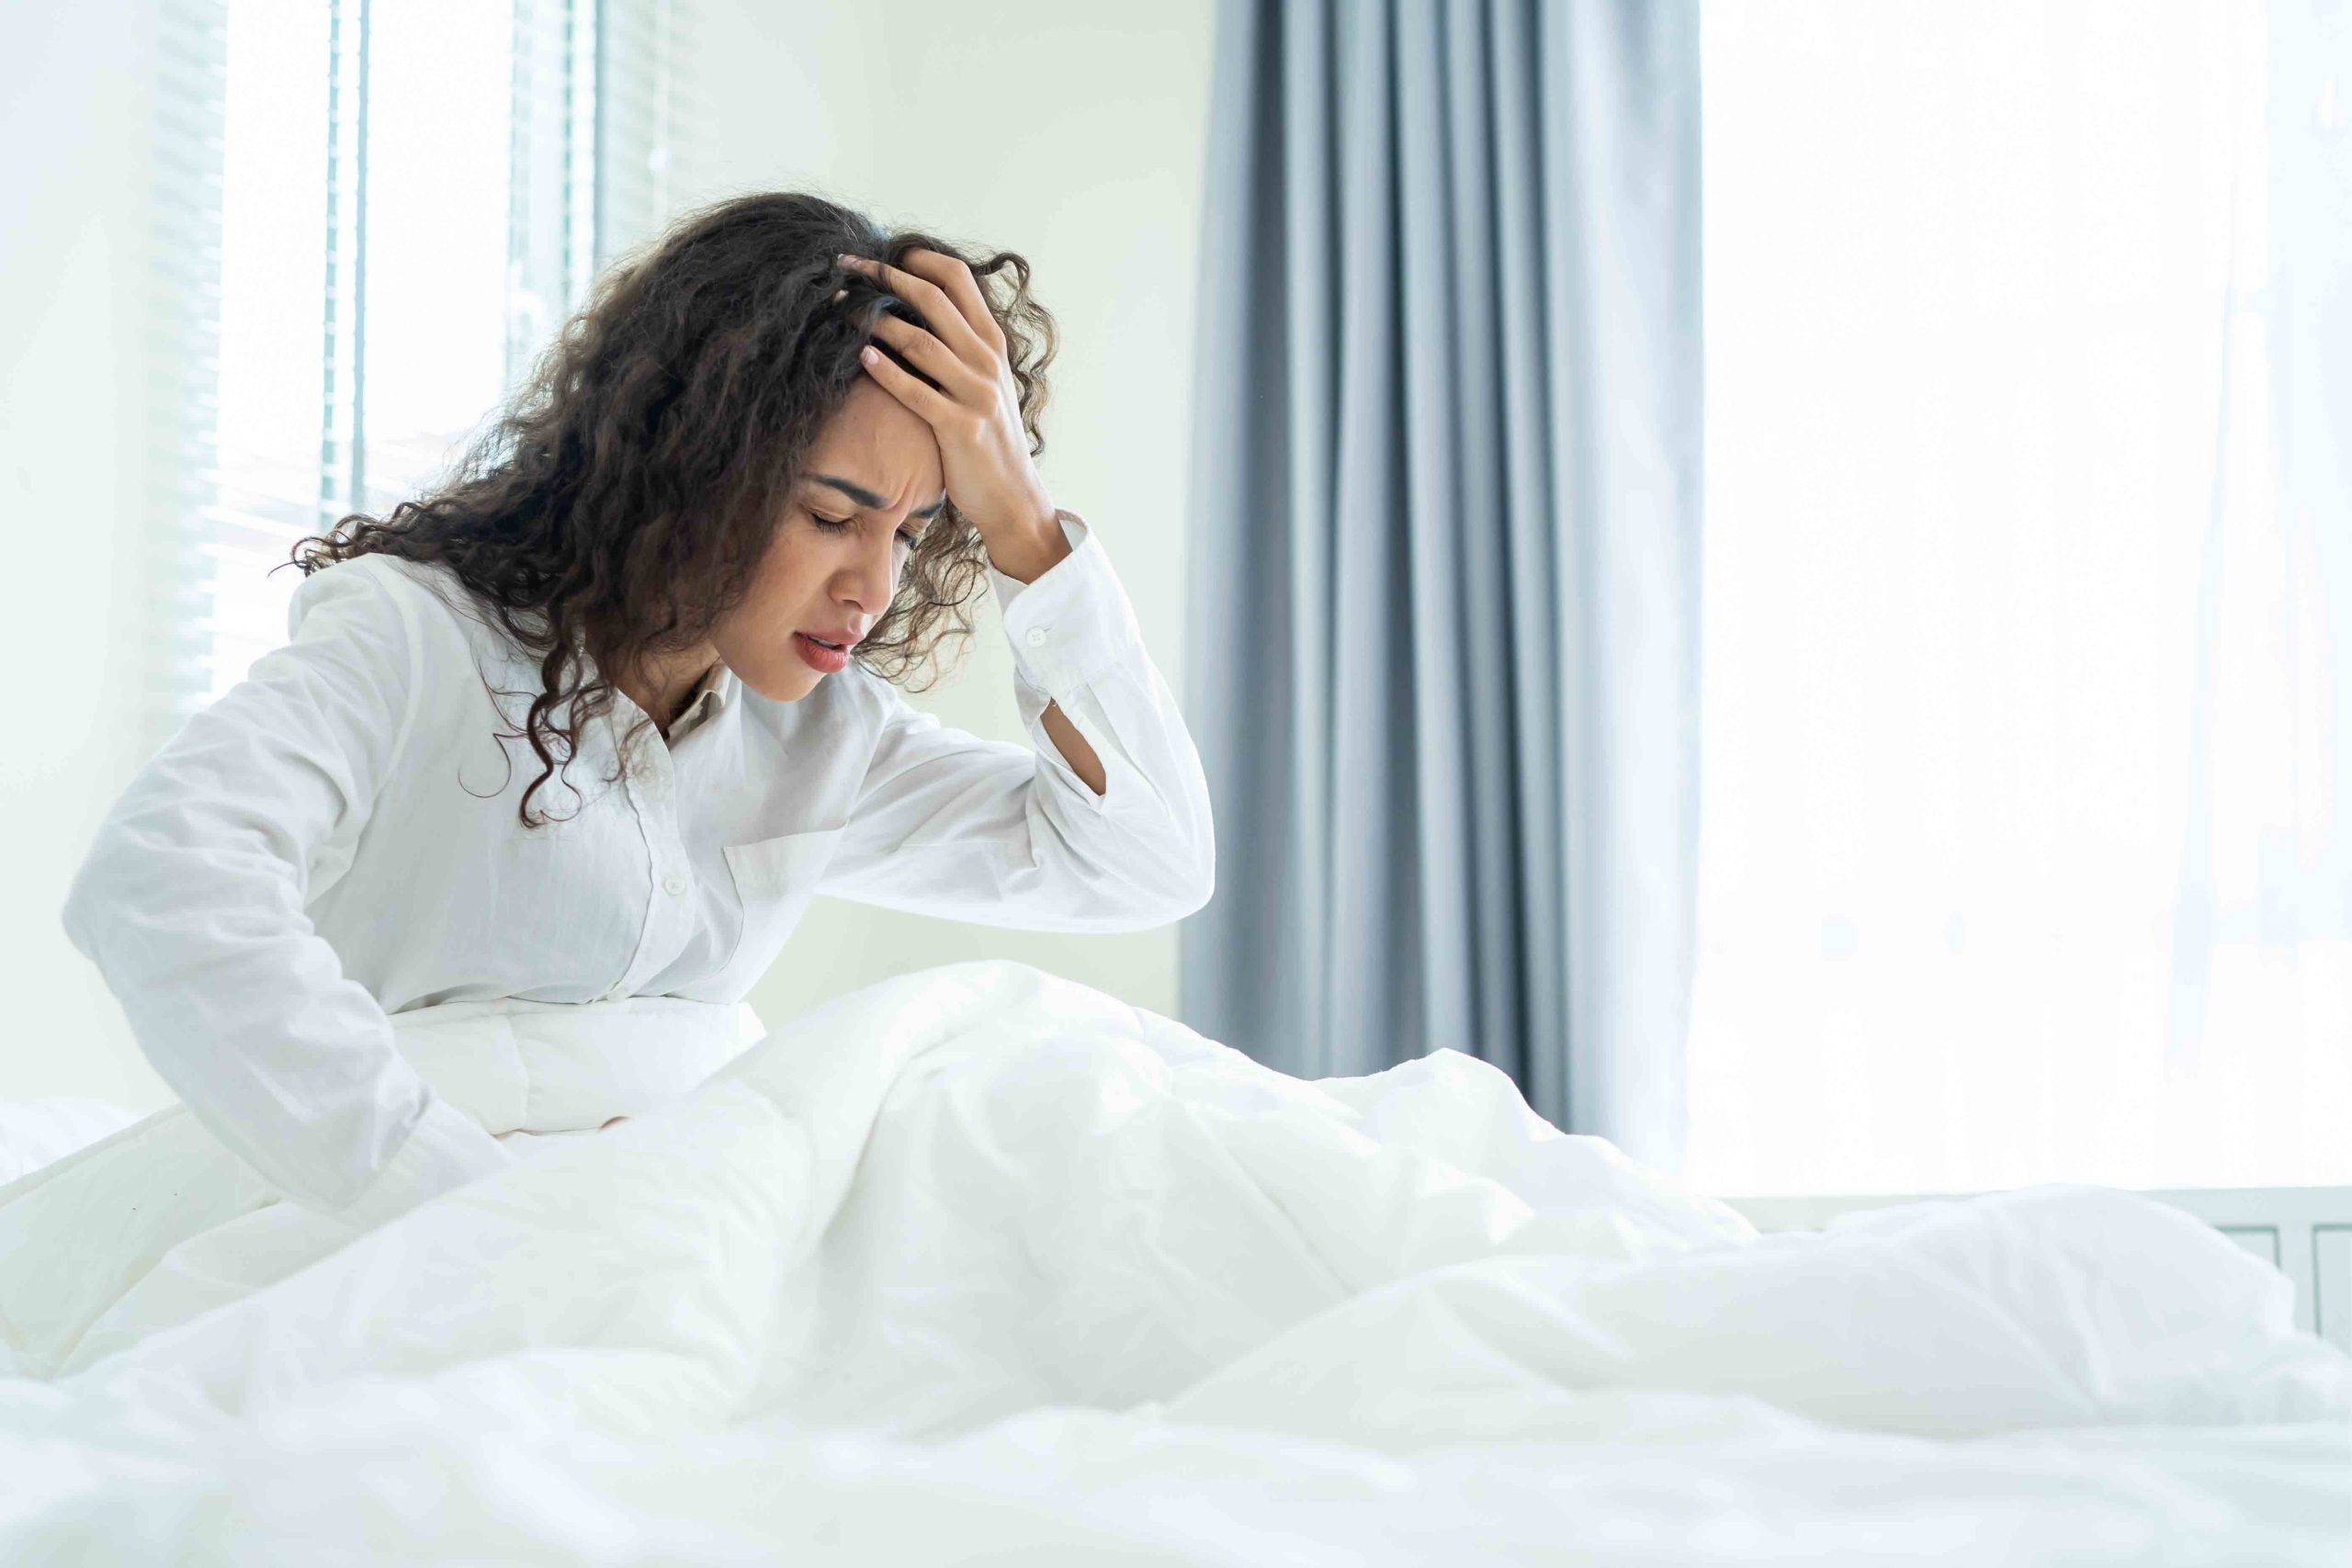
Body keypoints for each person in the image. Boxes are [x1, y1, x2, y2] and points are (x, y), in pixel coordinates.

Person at [37, 191, 1215, 1251]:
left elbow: (1143, 864)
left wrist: (1020, 521)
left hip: (678, 1225)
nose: (874, 588)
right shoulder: (416, 641)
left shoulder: (818, 733)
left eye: (909, 533)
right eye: (827, 515)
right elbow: (159, 881)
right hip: (405, 1238)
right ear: (696, 465)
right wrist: (455, 1205)